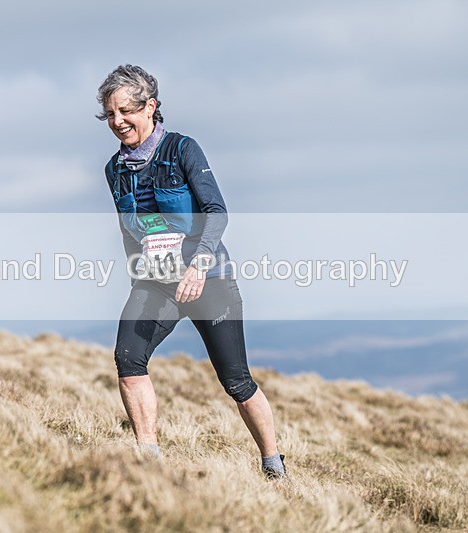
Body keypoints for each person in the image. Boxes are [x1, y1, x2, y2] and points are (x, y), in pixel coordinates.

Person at [96, 64, 286, 478]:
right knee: (128, 359)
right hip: (155, 284)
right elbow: (129, 234)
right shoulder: (114, 170)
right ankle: (149, 462)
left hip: (208, 278)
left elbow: (216, 212)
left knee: (236, 380)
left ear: (151, 106)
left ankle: (273, 464)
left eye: (126, 111)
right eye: (110, 114)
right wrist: (138, 283)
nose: (117, 121)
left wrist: (198, 265)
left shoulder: (183, 149)